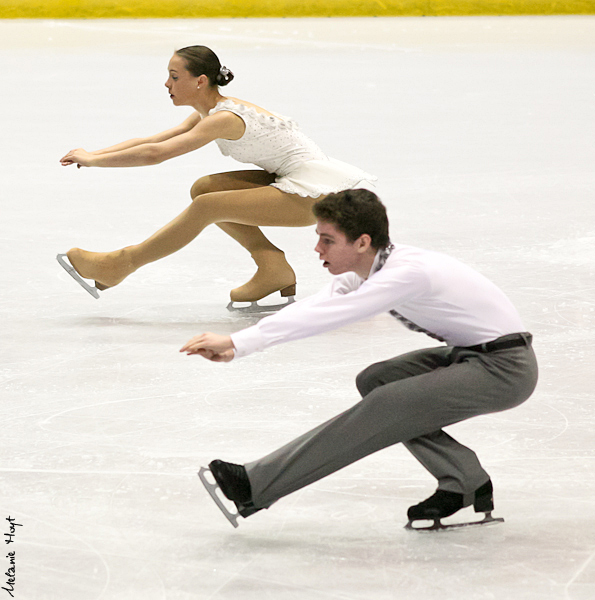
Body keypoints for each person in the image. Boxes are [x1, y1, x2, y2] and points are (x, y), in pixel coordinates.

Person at [180, 189, 539, 530]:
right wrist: (238, 346)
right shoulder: (371, 268)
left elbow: (332, 316)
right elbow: (317, 306)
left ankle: (256, 484)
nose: (317, 248)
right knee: (378, 380)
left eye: (328, 240)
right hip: (472, 356)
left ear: (363, 242)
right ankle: (465, 481)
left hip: (505, 369)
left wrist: (236, 340)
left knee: (388, 403)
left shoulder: (406, 273)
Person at [58, 45, 375, 309]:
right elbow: (154, 140)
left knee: (207, 206)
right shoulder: (209, 111)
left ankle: (121, 264)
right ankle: (272, 267)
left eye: (174, 77)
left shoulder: (223, 118)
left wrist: (95, 163)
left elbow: (157, 155)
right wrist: (93, 154)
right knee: (205, 189)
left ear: (200, 81)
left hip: (314, 195)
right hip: (295, 182)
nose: (167, 84)